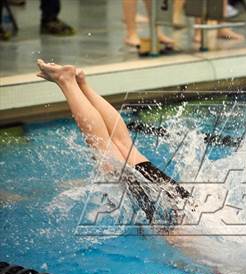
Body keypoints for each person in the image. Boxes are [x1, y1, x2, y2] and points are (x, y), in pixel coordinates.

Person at [35, 59, 191, 226]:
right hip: (176, 220)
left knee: (124, 145)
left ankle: (82, 85)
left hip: (186, 203)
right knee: (108, 159)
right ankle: (67, 81)